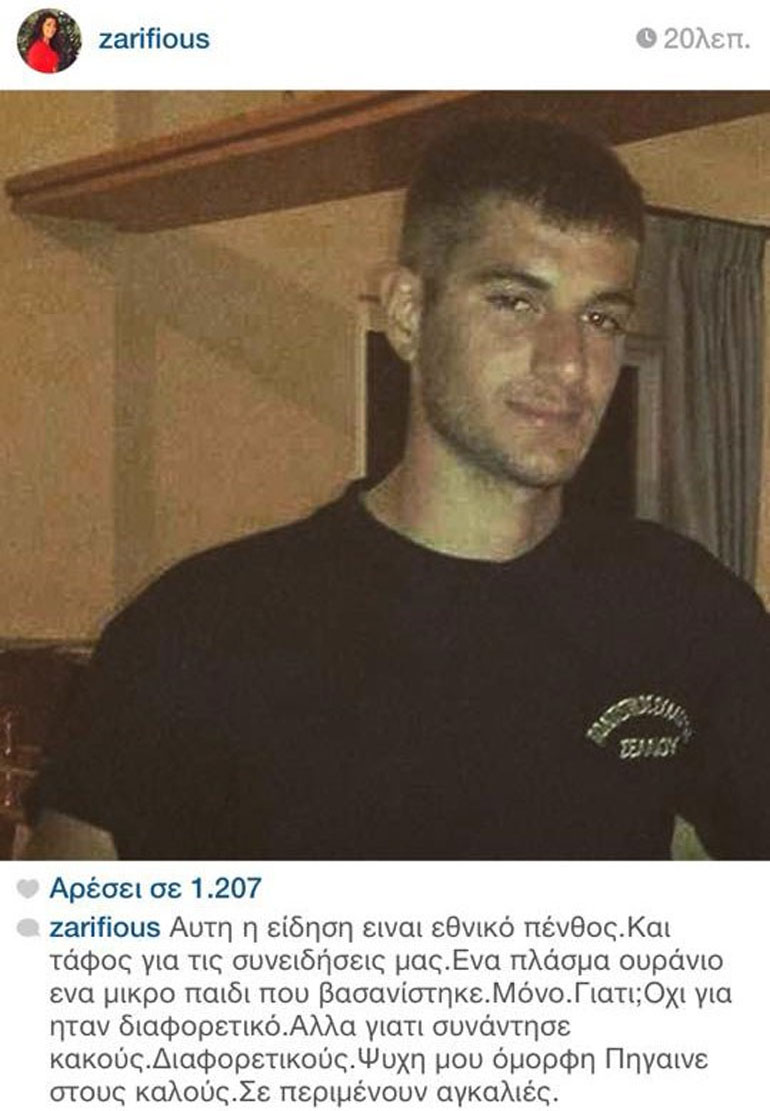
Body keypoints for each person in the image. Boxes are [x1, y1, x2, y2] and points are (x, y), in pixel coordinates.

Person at [23, 117, 770, 860]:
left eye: (601, 318)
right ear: (408, 315)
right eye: (515, 301)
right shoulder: (202, 630)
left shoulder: (686, 612)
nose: (571, 362)